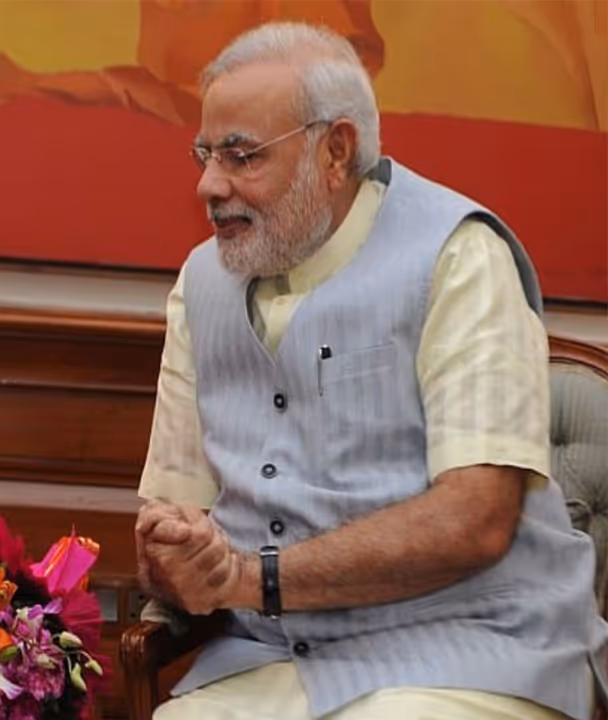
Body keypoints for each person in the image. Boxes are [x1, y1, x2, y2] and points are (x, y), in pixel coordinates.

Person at [135, 22, 607, 720]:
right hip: (267, 661)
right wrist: (173, 557)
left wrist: (251, 578)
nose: (209, 184)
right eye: (206, 154)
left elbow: (475, 520)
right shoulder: (200, 283)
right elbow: (170, 518)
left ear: (335, 151)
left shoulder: (459, 257)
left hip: (471, 653)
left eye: (241, 156)